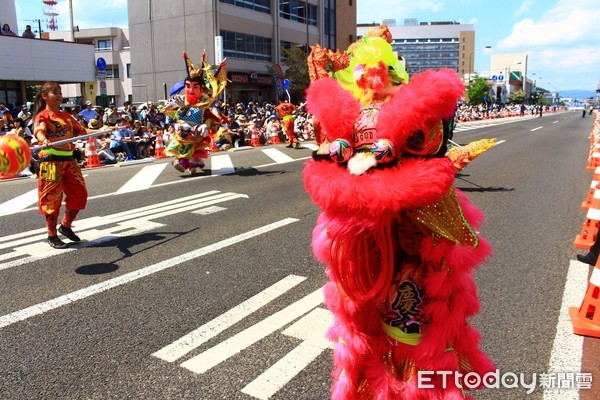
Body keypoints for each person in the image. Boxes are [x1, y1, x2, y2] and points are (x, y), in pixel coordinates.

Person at [303, 26, 494, 399]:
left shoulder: (405, 117)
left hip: (412, 258)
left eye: (381, 69)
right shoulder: (353, 111)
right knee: (363, 327)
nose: (374, 76)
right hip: (367, 248)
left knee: (414, 330)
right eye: (366, 69)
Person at [32, 82, 89, 249]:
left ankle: (65, 226)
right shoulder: (43, 116)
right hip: (50, 161)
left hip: (69, 161)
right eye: (54, 92)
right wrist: (44, 140)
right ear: (44, 96)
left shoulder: (67, 117)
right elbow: (39, 131)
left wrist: (108, 128)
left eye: (60, 92)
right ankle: (51, 235)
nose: (58, 95)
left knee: (80, 193)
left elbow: (82, 131)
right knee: (51, 198)